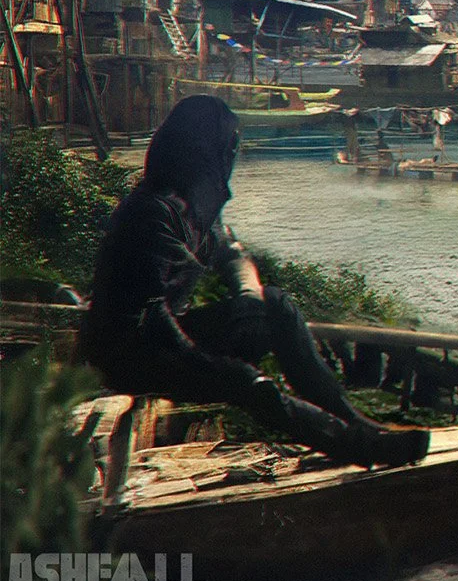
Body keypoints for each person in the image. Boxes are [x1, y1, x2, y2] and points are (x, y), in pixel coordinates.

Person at [83, 96, 428, 467]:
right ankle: (357, 446)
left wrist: (250, 297)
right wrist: (206, 362)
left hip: (167, 338)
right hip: (127, 353)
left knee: (276, 303)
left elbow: (233, 255)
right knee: (245, 382)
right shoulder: (151, 213)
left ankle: (353, 420)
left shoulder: (192, 209)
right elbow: (150, 313)